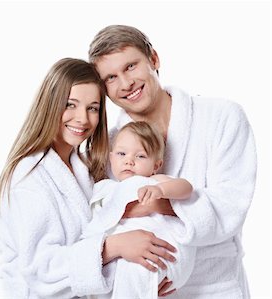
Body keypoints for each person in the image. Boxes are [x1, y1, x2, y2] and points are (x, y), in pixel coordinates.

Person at [88, 25, 257, 298]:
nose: (126, 83)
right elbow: (96, 226)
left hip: (214, 286)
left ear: (153, 59)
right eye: (111, 77)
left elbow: (229, 208)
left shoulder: (222, 118)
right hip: (141, 285)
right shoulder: (107, 147)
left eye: (131, 66)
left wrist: (146, 204)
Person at [0, 58, 177, 298]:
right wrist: (115, 245)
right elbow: (42, 269)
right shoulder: (29, 180)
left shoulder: (84, 171)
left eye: (93, 108)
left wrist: (137, 286)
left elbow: (90, 260)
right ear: (50, 104)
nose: (82, 119)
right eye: (70, 105)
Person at [83, 121, 195, 299]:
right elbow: (98, 222)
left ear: (156, 165)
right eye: (122, 153)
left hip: (157, 249)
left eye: (141, 156)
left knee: (134, 272)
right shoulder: (105, 189)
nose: (129, 160)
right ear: (111, 158)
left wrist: (161, 190)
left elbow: (186, 188)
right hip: (123, 251)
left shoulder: (154, 181)